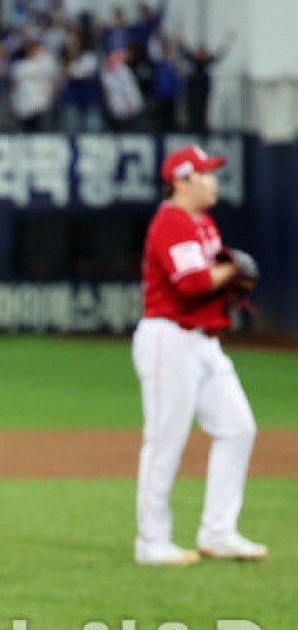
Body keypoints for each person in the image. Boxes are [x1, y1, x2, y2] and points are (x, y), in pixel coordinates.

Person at [132, 144, 266, 566]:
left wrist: (226, 279)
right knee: (164, 441)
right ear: (181, 181)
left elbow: (210, 285)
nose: (213, 181)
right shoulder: (170, 221)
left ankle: (218, 531)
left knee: (238, 427)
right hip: (167, 339)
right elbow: (190, 283)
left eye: (212, 173)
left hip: (204, 341)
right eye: (204, 174)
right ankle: (152, 541)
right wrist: (231, 271)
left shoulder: (202, 222)